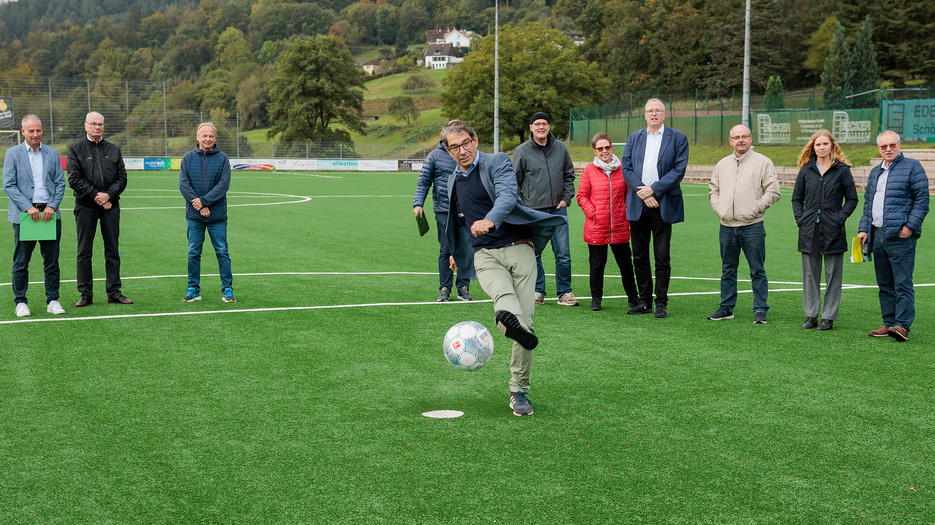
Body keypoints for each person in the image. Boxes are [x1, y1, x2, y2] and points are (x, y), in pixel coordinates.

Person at [443, 120, 566, 417]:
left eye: (466, 143)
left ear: (476, 139)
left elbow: (508, 196)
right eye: (454, 147)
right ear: (448, 151)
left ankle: (518, 390)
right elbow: (460, 220)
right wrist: (455, 253)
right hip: (484, 254)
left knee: (526, 325)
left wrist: (491, 220)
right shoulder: (452, 181)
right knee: (503, 299)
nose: (462, 151)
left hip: (519, 248)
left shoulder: (497, 162)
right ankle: (507, 321)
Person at [857, 130, 929, 342]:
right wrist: (864, 229)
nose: (888, 149)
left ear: (899, 145)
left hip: (901, 237)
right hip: (877, 235)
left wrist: (910, 226)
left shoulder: (912, 167)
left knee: (903, 282)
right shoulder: (874, 172)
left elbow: (922, 200)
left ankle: (902, 325)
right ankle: (888, 324)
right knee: (885, 283)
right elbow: (868, 205)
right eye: (883, 146)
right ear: (878, 149)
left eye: (892, 145)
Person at [620, 98, 689, 318]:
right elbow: (626, 168)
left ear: (664, 114)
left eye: (658, 111)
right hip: (638, 204)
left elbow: (678, 170)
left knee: (662, 256)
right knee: (639, 256)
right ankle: (644, 302)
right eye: (650, 111)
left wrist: (654, 190)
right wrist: (643, 191)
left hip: (662, 204)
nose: (653, 114)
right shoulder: (634, 138)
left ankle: (661, 302)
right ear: (645, 115)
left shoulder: (678, 138)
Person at [707, 124, 781, 324]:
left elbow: (773, 192)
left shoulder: (763, 163)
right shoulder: (722, 164)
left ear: (750, 138)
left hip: (752, 226)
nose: (741, 140)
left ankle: (760, 309)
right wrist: (719, 208)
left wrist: (755, 208)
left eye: (744, 136)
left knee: (757, 269)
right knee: (727, 269)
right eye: (736, 137)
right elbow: (713, 190)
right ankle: (726, 307)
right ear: (730, 140)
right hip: (726, 226)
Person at [791, 129, 858, 331]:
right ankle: (811, 315)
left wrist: (839, 218)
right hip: (809, 229)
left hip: (833, 229)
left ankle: (828, 317)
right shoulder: (805, 170)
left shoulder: (842, 170)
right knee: (810, 274)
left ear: (832, 146)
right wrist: (801, 219)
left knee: (833, 275)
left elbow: (852, 199)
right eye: (818, 144)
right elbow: (796, 199)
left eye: (825, 144)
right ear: (813, 147)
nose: (821, 147)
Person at [2, 115, 66, 317]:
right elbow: (9, 185)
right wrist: (27, 207)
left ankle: (53, 300)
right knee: (21, 262)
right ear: (23, 132)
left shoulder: (52, 153)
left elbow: (60, 183)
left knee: (52, 261)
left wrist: (53, 206)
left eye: (38, 130)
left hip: (49, 215)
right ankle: (20, 301)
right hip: (25, 216)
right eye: (31, 131)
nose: (35, 134)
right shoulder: (13, 154)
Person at [512, 111, 579, 306]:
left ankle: (565, 292)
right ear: (531, 127)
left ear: (549, 127)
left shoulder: (560, 148)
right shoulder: (522, 151)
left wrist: (566, 198)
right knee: (534, 253)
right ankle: (537, 291)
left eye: (545, 124)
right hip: (533, 213)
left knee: (563, 254)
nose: (541, 127)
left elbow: (569, 175)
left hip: (558, 210)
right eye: (537, 124)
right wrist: (522, 207)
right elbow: (513, 183)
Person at [67, 111, 132, 307]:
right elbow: (74, 180)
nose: (97, 127)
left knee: (112, 250)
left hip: (111, 206)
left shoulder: (113, 149)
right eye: (93, 124)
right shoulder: (76, 149)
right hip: (85, 206)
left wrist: (109, 195)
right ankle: (86, 293)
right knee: (84, 251)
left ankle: (114, 292)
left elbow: (122, 178)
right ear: (86, 125)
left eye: (100, 124)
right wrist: (98, 196)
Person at [576, 132, 639, 312]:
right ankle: (596, 299)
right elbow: (581, 195)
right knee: (597, 265)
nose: (604, 151)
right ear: (595, 151)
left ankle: (633, 297)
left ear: (611, 148)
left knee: (626, 264)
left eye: (607, 147)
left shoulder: (623, 168)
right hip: (597, 227)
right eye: (600, 148)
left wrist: (626, 212)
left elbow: (630, 194)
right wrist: (592, 213)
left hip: (620, 225)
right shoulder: (589, 170)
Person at [179, 122, 235, 303]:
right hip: (194, 216)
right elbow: (183, 185)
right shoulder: (188, 158)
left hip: (217, 216)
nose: (208, 139)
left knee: (222, 252)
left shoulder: (223, 158)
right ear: (198, 137)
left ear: (215, 138)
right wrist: (200, 206)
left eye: (211, 136)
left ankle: (227, 289)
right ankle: (193, 288)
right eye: (204, 136)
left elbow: (223, 185)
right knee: (194, 252)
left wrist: (204, 201)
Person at [413, 135, 473, 302]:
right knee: (446, 249)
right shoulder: (434, 155)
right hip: (444, 210)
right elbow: (424, 181)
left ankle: (463, 288)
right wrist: (418, 203)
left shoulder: (469, 153)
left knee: (466, 248)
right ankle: (444, 289)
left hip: (467, 210)